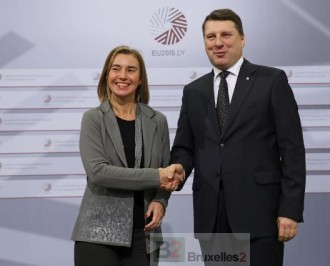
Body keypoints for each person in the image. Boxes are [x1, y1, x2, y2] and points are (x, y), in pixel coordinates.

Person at [170, 9, 306, 266]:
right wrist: (178, 167)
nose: (218, 42)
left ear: (242, 39)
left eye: (225, 35)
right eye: (211, 37)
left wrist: (290, 210)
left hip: (261, 215)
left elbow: (292, 151)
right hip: (212, 216)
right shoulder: (193, 91)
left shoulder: (271, 81)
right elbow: (185, 148)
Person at [71, 45, 180, 266]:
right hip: (97, 234)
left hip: (145, 235)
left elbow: (166, 173)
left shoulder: (157, 121)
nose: (122, 76)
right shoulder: (93, 118)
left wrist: (160, 201)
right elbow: (98, 172)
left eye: (131, 70)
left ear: (140, 79)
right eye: (116, 69)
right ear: (106, 75)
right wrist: (157, 175)